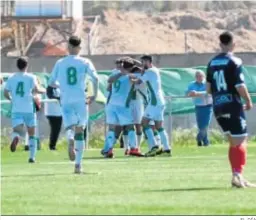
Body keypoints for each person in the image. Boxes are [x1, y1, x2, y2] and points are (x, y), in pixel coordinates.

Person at [206, 31, 255, 188]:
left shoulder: (211, 63)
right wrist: (248, 101)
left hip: (218, 107)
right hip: (232, 105)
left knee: (233, 142)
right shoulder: (234, 61)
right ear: (234, 44)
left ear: (220, 44)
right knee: (241, 140)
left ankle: (237, 176)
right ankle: (237, 175)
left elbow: (208, 89)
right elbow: (239, 85)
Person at [48, 36, 99, 174]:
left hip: (65, 98)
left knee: (70, 126)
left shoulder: (60, 62)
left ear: (68, 47)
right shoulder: (85, 61)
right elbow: (95, 78)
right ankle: (78, 165)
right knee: (80, 128)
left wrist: (61, 86)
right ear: (79, 48)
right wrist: (94, 94)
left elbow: (52, 82)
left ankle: (70, 138)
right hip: (80, 98)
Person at [4, 57, 45, 163]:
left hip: (17, 109)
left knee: (17, 130)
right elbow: (37, 89)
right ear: (27, 66)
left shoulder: (11, 78)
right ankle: (32, 157)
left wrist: (11, 99)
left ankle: (16, 137)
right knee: (32, 134)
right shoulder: (31, 77)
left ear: (17, 66)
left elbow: (5, 92)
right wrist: (45, 90)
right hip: (29, 108)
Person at [101, 57, 144, 158]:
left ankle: (109, 150)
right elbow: (142, 76)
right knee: (130, 126)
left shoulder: (115, 73)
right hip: (123, 106)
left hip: (111, 105)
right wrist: (135, 64)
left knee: (112, 128)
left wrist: (121, 72)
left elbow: (109, 80)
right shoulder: (129, 76)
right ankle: (133, 148)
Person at [130, 55, 171, 157]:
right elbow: (143, 71)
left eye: (143, 62)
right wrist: (137, 64)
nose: (142, 64)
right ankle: (166, 149)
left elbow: (138, 81)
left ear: (148, 61)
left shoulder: (149, 72)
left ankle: (154, 146)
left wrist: (128, 76)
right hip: (160, 101)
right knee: (158, 126)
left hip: (154, 102)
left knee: (144, 122)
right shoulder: (154, 70)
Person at [186, 70, 213, 146]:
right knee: (200, 125)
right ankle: (205, 142)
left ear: (204, 76)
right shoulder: (192, 84)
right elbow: (187, 93)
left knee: (206, 124)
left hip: (208, 106)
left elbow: (209, 92)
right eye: (197, 76)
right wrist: (190, 93)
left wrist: (198, 93)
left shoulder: (207, 84)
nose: (199, 77)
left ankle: (198, 138)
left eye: (200, 76)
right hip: (198, 106)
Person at [45, 85, 62, 150]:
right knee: (55, 129)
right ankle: (52, 146)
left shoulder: (60, 87)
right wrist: (59, 98)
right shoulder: (49, 87)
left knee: (57, 129)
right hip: (51, 112)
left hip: (59, 112)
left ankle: (53, 145)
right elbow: (50, 96)